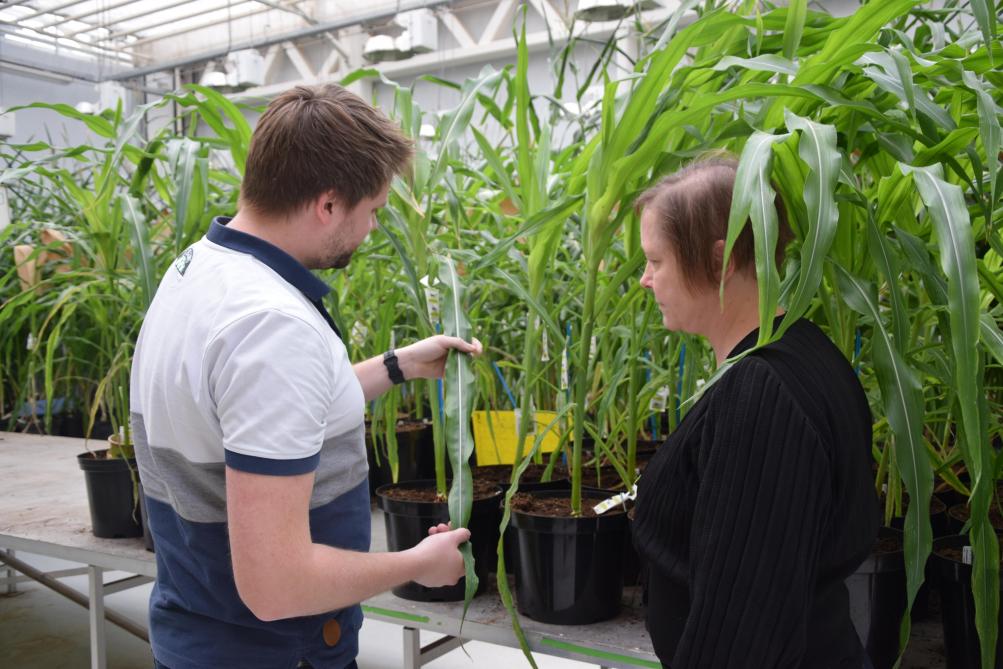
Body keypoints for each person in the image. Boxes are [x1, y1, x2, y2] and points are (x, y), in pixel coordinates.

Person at [130, 83, 480, 669]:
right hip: (272, 649)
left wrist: (397, 367)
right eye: (372, 212)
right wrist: (419, 562)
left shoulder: (201, 267)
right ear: (328, 204)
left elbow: (252, 408)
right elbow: (277, 585)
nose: (370, 230)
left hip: (200, 627)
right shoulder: (270, 326)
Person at [631, 156, 879, 669]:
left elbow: (743, 631)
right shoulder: (804, 349)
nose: (644, 280)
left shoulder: (761, 398)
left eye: (656, 261)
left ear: (719, 261)